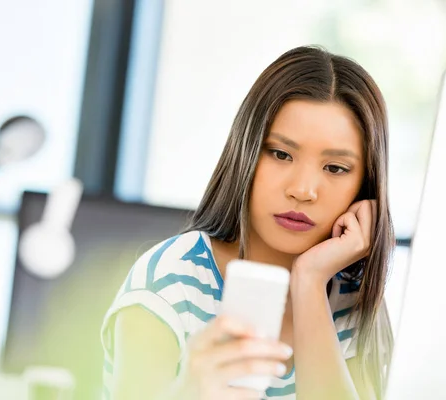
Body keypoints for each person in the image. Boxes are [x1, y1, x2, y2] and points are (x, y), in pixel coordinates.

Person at [100, 45, 394, 400]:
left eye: (335, 168)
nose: (302, 191)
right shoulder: (170, 283)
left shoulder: (351, 295)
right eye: (281, 154)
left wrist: (310, 281)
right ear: (247, 152)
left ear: (363, 186)